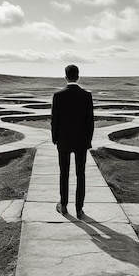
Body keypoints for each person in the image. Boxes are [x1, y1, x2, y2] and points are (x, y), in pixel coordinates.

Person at [51, 64, 94, 219]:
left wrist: (55, 138)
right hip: (81, 141)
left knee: (64, 174)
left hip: (63, 140)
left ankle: (63, 205)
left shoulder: (58, 95)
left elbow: (54, 120)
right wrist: (88, 140)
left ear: (65, 76)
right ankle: (79, 209)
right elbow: (90, 121)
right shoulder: (86, 95)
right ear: (78, 76)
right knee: (80, 174)